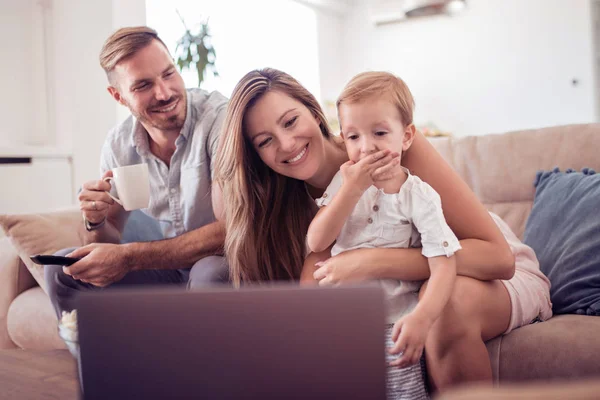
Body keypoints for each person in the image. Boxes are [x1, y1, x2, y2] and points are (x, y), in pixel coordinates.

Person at [213, 68, 552, 394]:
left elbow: (498, 259)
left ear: (314, 112)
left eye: (290, 121)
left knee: (445, 308)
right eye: (265, 140)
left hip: (498, 276)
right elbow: (313, 290)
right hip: (423, 283)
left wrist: (371, 261)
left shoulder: (390, 148)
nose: (287, 143)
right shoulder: (297, 205)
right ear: (256, 155)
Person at [45, 26, 229, 318]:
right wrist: (95, 221)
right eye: (143, 85)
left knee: (210, 273)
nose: (164, 93)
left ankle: (202, 362)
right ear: (118, 96)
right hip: (170, 273)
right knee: (61, 268)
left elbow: (231, 229)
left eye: (169, 74)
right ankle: (100, 361)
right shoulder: (119, 145)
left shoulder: (220, 121)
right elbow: (109, 240)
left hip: (226, 264)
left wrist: (130, 258)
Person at [306, 71, 461, 399]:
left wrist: (423, 317)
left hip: (395, 326)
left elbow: (444, 265)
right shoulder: (343, 182)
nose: (365, 148)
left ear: (406, 137)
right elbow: (317, 241)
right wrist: (351, 189)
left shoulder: (418, 195)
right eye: (353, 137)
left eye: (379, 132)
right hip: (342, 322)